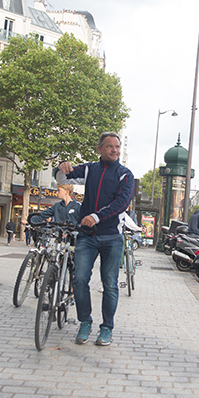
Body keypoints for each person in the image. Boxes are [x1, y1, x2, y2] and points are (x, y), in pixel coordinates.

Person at [56, 132, 135, 347]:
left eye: (117, 146)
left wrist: (96, 216)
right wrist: (61, 167)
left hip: (112, 237)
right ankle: (85, 322)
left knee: (110, 284)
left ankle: (107, 328)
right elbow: (64, 178)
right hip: (87, 236)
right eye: (109, 146)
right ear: (99, 149)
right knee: (79, 279)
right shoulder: (90, 169)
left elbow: (122, 203)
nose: (114, 150)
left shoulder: (125, 175)